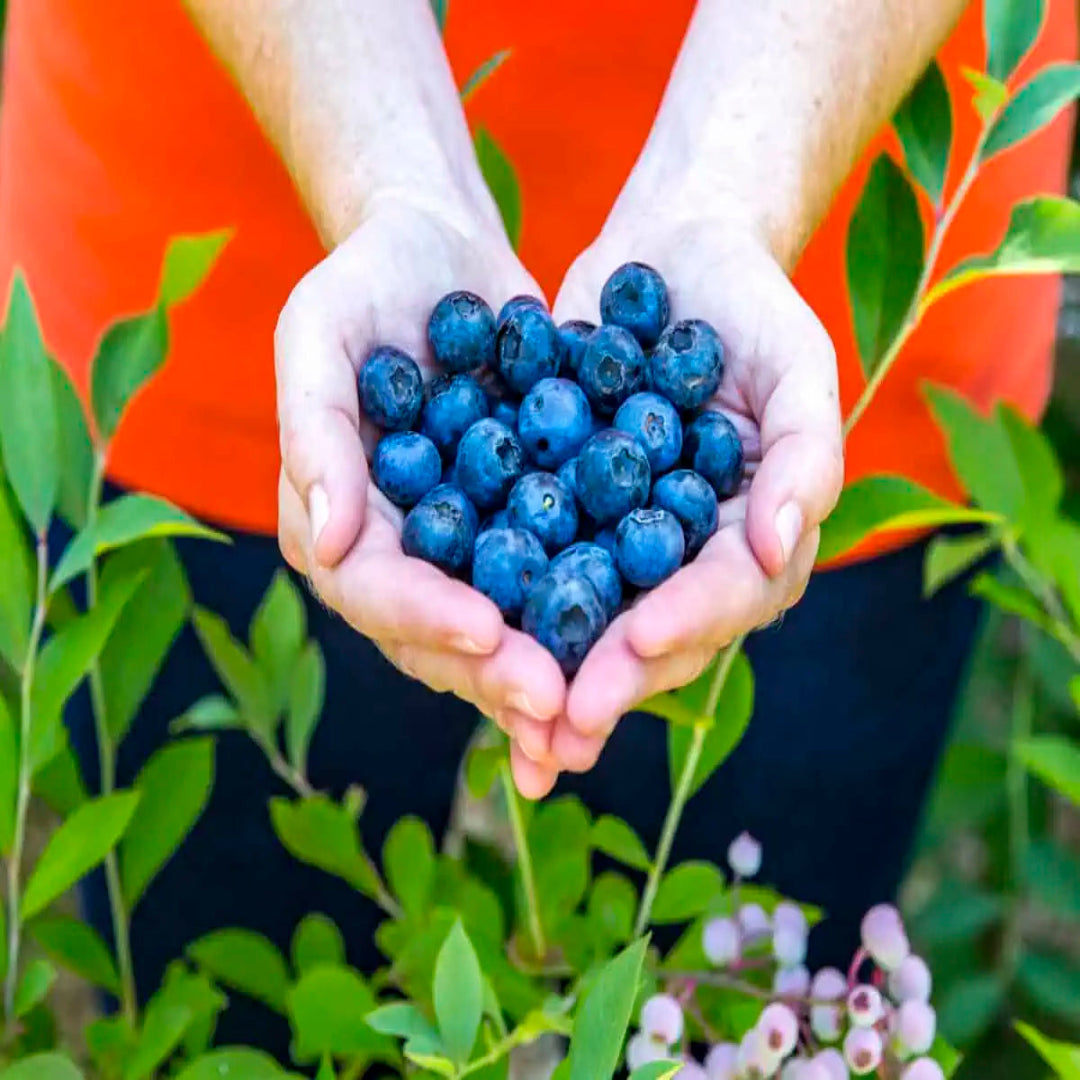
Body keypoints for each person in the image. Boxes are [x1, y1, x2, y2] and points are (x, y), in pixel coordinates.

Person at [0, 0, 1073, 1056]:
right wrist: (388, 173)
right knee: (246, 989)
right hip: (214, 253)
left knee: (737, 1009)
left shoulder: (662, 431)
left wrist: (731, 189)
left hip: (827, 204)